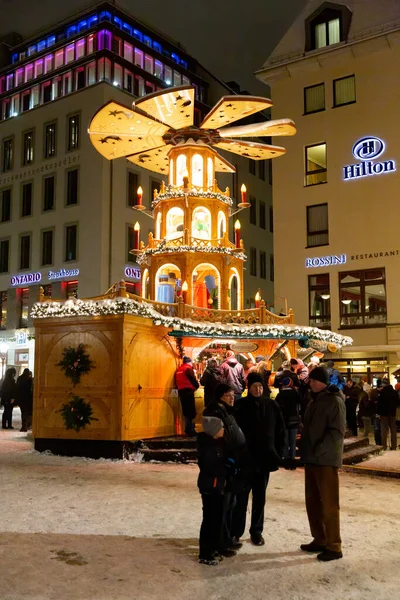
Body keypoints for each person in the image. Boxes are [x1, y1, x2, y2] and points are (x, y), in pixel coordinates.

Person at [231, 372, 285, 546]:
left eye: (260, 386)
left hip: (264, 459)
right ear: (249, 387)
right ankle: (236, 531)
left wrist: (278, 451)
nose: (258, 389)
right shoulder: (240, 406)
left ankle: (256, 531)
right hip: (245, 459)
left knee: (260, 497)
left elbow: (280, 430)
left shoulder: (272, 405)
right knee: (241, 497)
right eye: (255, 386)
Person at [300, 366, 346, 562]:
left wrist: (320, 449)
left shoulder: (334, 401)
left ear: (322, 382)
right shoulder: (314, 399)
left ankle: (334, 545)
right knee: (313, 501)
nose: (310, 383)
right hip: (312, 458)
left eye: (313, 380)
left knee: (328, 503)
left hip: (325, 459)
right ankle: (320, 538)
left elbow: (336, 432)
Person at [204, 383, 249, 554]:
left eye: (233, 394)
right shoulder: (214, 412)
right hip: (222, 466)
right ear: (220, 396)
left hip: (232, 464)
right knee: (221, 507)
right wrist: (229, 458)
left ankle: (227, 538)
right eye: (228, 395)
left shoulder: (227, 411)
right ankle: (220, 543)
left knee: (230, 504)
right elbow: (215, 441)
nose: (232, 397)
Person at [197, 416, 229, 566]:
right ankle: (206, 553)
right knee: (210, 519)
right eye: (221, 428)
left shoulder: (216, 444)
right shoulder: (208, 447)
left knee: (216, 518)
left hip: (217, 486)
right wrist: (224, 469)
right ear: (214, 431)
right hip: (211, 486)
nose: (223, 430)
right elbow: (209, 467)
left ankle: (214, 548)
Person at [275, 376, 302, 469]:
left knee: (285, 442)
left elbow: (276, 406)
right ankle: (293, 461)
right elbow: (300, 402)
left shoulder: (280, 394)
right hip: (294, 420)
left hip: (284, 421)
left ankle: (286, 462)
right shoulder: (295, 393)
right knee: (293, 442)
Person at [175, 356, 199, 437]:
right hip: (188, 391)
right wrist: (196, 386)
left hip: (181, 391)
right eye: (191, 362)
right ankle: (190, 430)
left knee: (186, 411)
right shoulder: (188, 368)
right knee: (191, 411)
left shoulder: (179, 370)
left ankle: (187, 429)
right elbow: (192, 379)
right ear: (189, 362)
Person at [377, 378, 398, 451]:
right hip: (392, 413)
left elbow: (379, 404)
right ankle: (394, 446)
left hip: (384, 414)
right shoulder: (395, 392)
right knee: (393, 430)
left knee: (384, 430)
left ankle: (384, 446)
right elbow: (397, 403)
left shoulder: (382, 392)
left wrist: (378, 413)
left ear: (383, 384)